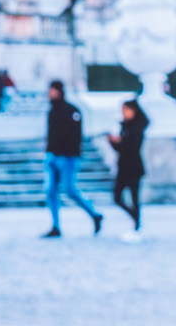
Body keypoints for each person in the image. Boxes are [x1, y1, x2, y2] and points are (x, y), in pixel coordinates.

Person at [42, 79, 103, 238]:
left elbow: (75, 137)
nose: (50, 93)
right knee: (51, 191)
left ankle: (94, 214)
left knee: (70, 190)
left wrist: (68, 154)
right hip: (52, 156)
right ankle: (56, 225)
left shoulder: (71, 111)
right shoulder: (52, 111)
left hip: (67, 158)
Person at [108, 98, 149, 240]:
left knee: (134, 197)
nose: (123, 113)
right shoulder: (125, 126)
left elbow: (132, 147)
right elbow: (120, 149)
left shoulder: (138, 127)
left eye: (125, 110)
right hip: (123, 166)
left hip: (134, 167)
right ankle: (134, 217)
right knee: (117, 196)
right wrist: (112, 142)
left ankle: (137, 223)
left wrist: (121, 141)